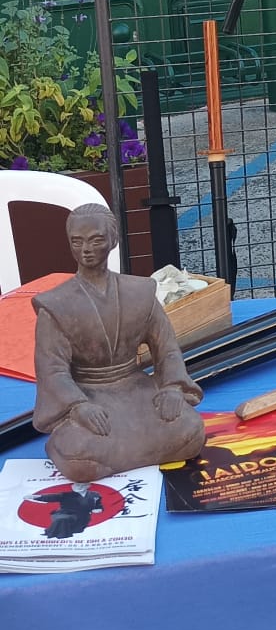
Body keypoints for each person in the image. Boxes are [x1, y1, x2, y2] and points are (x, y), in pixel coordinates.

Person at [33, 205, 205, 482]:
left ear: (113, 240)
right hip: (87, 393)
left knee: (190, 429)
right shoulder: (55, 305)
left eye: (96, 240)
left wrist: (172, 388)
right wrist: (78, 407)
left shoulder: (140, 291)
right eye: (77, 241)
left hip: (136, 386)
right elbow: (52, 370)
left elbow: (167, 348)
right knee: (77, 452)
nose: (86, 249)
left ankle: (114, 459)